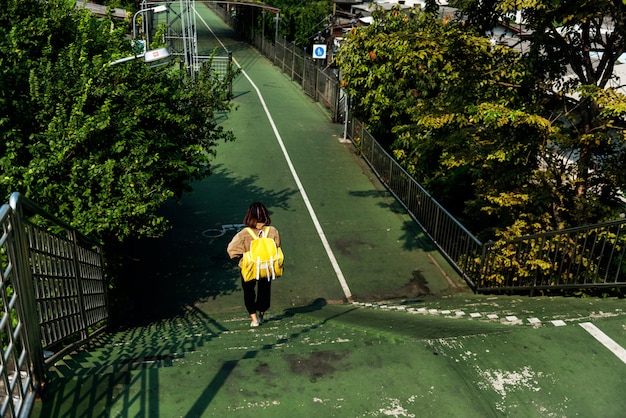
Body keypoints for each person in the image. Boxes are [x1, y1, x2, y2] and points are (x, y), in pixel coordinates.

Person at [227, 202, 281, 327]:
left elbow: (232, 250)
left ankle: (254, 319)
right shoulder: (272, 231)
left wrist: (242, 257)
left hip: (249, 267)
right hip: (267, 267)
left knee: (249, 292)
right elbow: (277, 246)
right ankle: (261, 315)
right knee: (264, 291)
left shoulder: (244, 233)